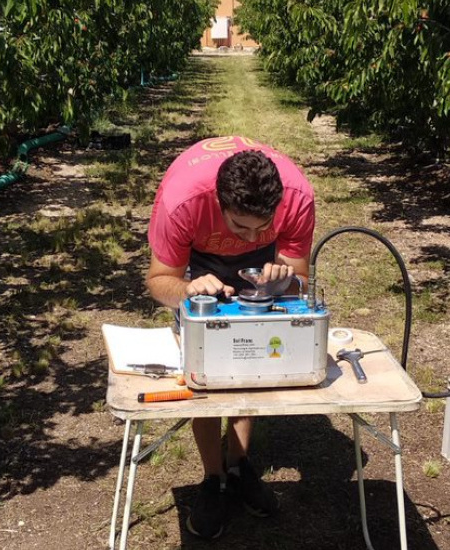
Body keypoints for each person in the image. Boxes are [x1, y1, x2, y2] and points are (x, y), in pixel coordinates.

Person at [145, 135, 315, 539]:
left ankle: (238, 465)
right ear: (218, 203)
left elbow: (300, 281)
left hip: (257, 266)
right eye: (240, 226)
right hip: (199, 257)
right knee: (204, 366)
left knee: (250, 356)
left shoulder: (298, 197)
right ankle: (213, 477)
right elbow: (158, 281)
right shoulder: (182, 201)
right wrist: (187, 289)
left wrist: (282, 278)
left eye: (263, 228)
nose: (251, 238)